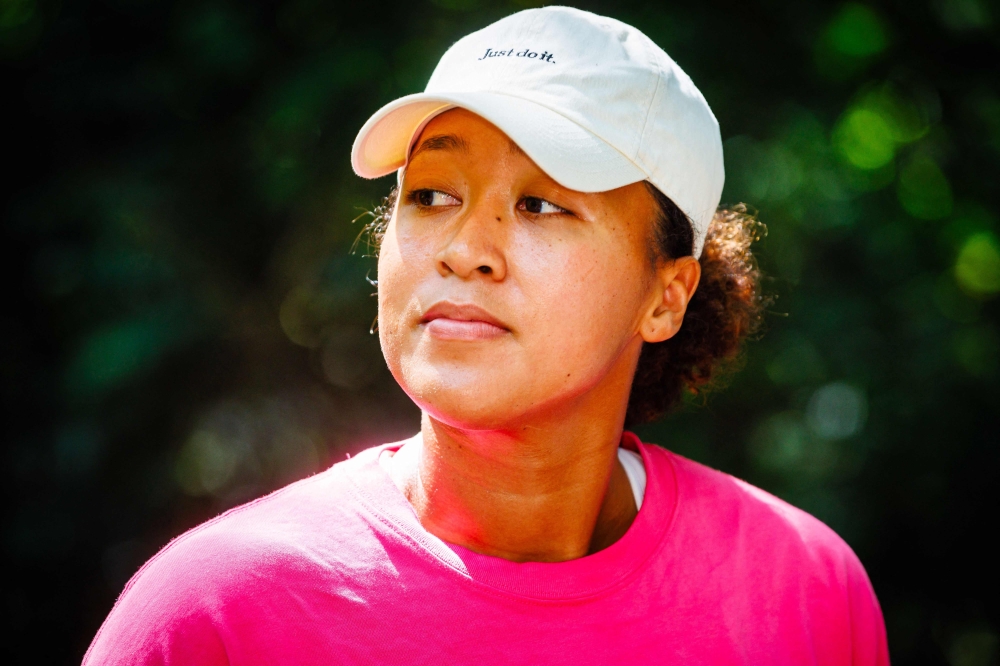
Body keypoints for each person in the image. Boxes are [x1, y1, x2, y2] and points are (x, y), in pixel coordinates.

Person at [84, 7, 889, 665]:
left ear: (665, 296)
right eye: (432, 194)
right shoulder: (213, 616)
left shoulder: (804, 592)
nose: (464, 248)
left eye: (541, 205)